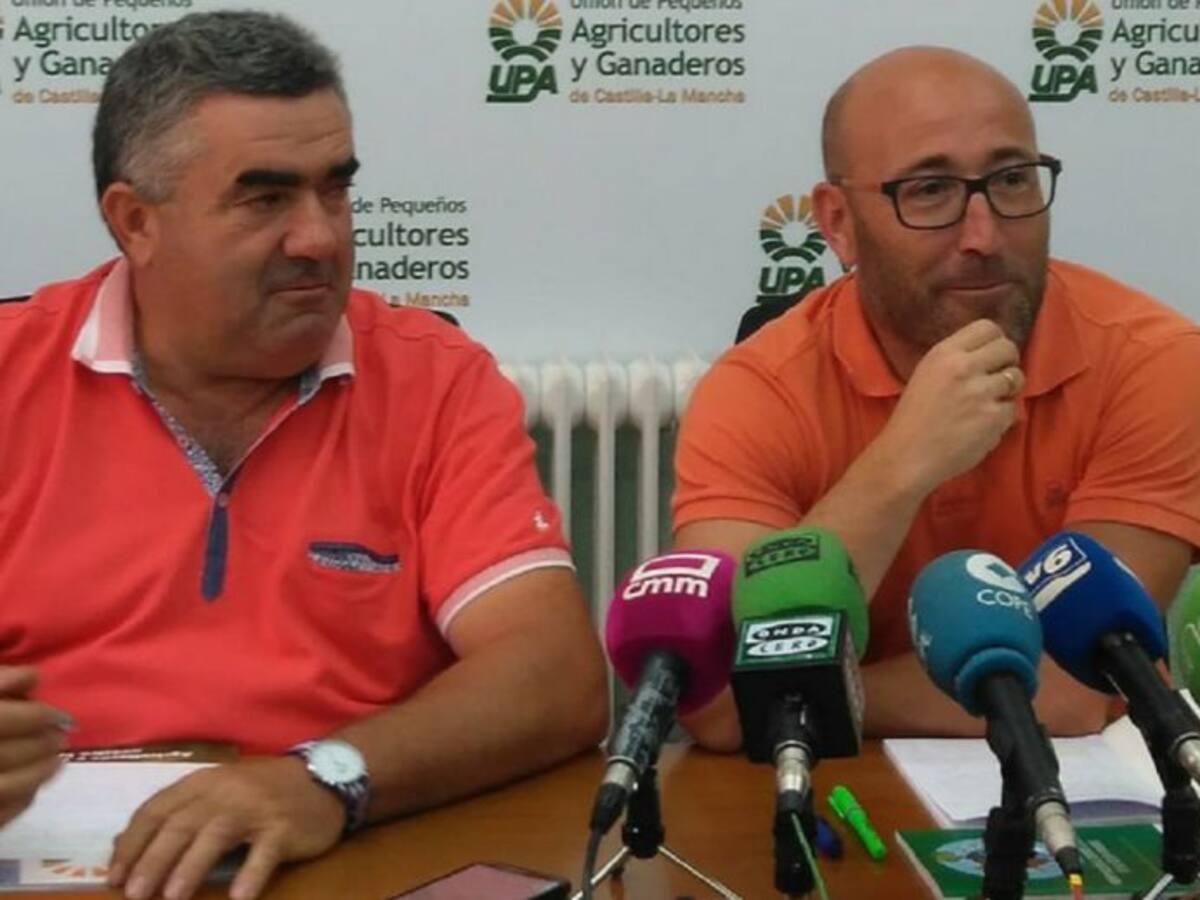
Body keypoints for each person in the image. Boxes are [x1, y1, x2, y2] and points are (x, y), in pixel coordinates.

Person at [0, 11, 606, 900]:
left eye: (335, 190)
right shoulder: (11, 374)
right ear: (135, 222)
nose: (320, 237)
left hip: (345, 854)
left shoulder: (433, 380)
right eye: (266, 199)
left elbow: (555, 678)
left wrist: (328, 776)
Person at [672, 46, 1200, 748]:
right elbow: (719, 701)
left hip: (1090, 790)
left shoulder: (1153, 361)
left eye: (1011, 180)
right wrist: (903, 464)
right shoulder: (755, 392)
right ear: (837, 222)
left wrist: (806, 695)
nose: (984, 235)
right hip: (832, 787)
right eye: (929, 191)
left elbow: (1075, 686)